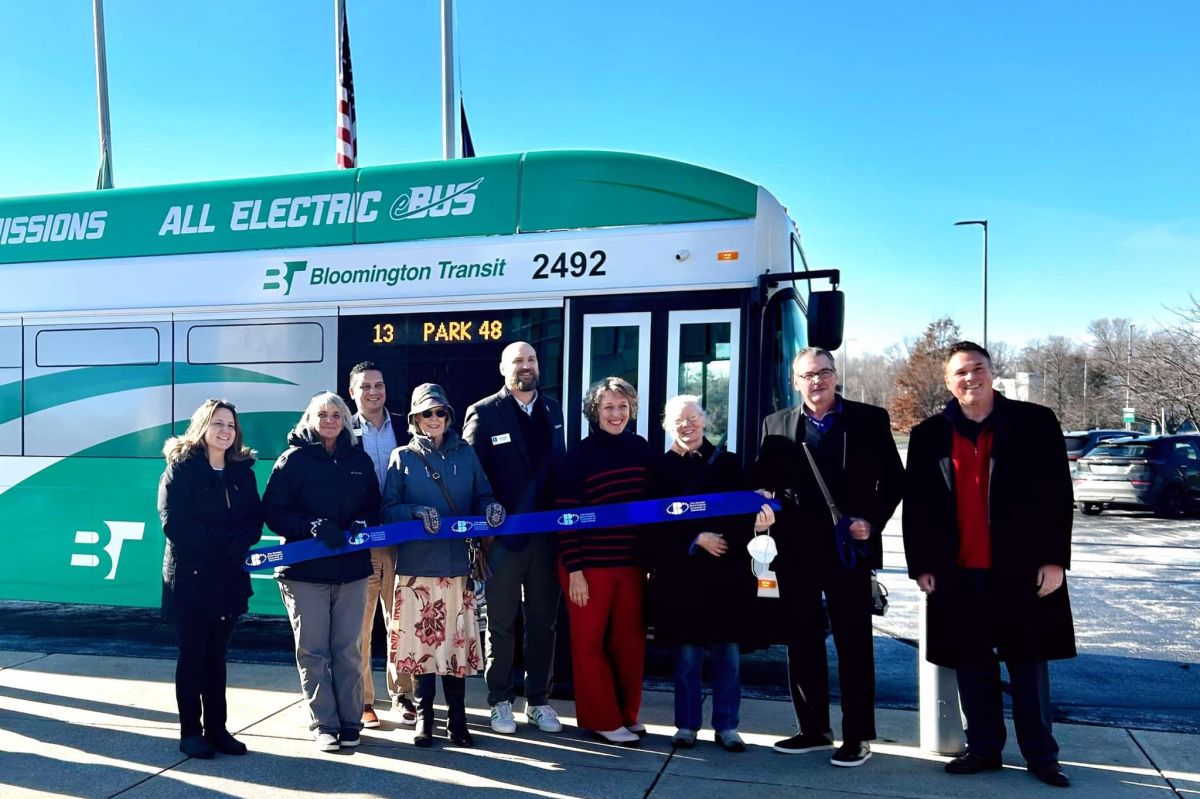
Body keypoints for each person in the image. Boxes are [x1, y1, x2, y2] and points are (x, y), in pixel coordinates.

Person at [903, 341, 1075, 788]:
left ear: (992, 372)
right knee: (972, 664)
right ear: (948, 382)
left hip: (1021, 571)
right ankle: (984, 748)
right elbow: (918, 507)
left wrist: (1055, 560)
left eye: (977, 368)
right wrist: (921, 564)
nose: (969, 378)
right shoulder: (928, 435)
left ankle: (1041, 755)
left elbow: (1058, 496)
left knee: (1028, 664)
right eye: (959, 372)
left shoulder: (1035, 423)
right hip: (958, 573)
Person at [751, 347, 903, 767]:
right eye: (808, 375)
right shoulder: (776, 423)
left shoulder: (870, 420)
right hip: (796, 551)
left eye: (824, 372)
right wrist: (761, 499)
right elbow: (765, 480)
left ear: (836, 376)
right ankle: (813, 728)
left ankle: (857, 736)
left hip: (847, 549)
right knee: (801, 642)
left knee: (854, 644)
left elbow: (893, 481)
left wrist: (871, 521)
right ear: (794, 382)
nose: (816, 381)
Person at [382, 383, 506, 748]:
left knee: (454, 646)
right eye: (426, 413)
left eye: (439, 412)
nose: (433, 419)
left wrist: (491, 509)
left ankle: (457, 718)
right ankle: (425, 718)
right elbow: (388, 511)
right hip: (417, 567)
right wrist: (416, 512)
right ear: (415, 419)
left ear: (448, 417)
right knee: (422, 649)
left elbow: (483, 494)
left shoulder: (466, 454)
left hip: (457, 565)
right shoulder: (401, 457)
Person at [649, 395, 775, 753]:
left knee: (728, 658)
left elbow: (743, 515)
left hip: (726, 576)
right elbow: (654, 524)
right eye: (679, 421)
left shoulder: (731, 464)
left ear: (704, 421)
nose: (687, 426)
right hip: (683, 577)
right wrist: (695, 537)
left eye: (693, 418)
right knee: (686, 659)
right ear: (667, 427)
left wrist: (757, 510)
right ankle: (686, 726)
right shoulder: (659, 469)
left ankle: (727, 727)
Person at [262, 391, 380, 753]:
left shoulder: (359, 460)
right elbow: (273, 511)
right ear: (310, 420)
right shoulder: (292, 460)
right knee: (314, 651)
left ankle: (350, 721)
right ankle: (324, 723)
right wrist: (310, 525)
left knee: (349, 650)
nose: (329, 420)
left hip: (352, 571)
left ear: (345, 420)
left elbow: (375, 506)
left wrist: (364, 521)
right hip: (304, 574)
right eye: (322, 414)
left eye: (336, 414)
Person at [463, 341, 566, 736]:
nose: (526, 366)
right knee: (502, 624)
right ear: (503, 368)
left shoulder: (553, 409)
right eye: (518, 361)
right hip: (502, 544)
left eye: (532, 360)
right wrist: (480, 537)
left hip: (546, 539)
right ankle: (500, 700)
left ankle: (538, 701)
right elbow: (474, 477)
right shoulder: (485, 412)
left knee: (544, 623)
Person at [158, 399, 263, 759]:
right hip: (190, 579)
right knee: (193, 657)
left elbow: (254, 518)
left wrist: (243, 538)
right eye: (218, 423)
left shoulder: (242, 472)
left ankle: (217, 729)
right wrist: (225, 540)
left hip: (228, 579)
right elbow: (175, 523)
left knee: (217, 657)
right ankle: (191, 731)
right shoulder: (181, 470)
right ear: (202, 426)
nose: (225, 431)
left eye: (231, 425)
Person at [556, 377, 652, 746]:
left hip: (630, 566)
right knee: (589, 645)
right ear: (595, 412)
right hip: (587, 567)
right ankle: (602, 719)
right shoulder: (578, 457)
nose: (616, 413)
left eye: (623, 406)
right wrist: (575, 570)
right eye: (608, 407)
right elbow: (566, 516)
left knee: (630, 643)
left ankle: (626, 714)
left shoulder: (642, 449)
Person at [346, 361, 416, 730]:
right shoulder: (342, 429)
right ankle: (364, 700)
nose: (374, 392)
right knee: (360, 624)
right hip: (362, 541)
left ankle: (404, 695)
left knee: (403, 619)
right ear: (352, 391)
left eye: (380, 385)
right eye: (366, 386)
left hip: (401, 538)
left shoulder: (407, 425)